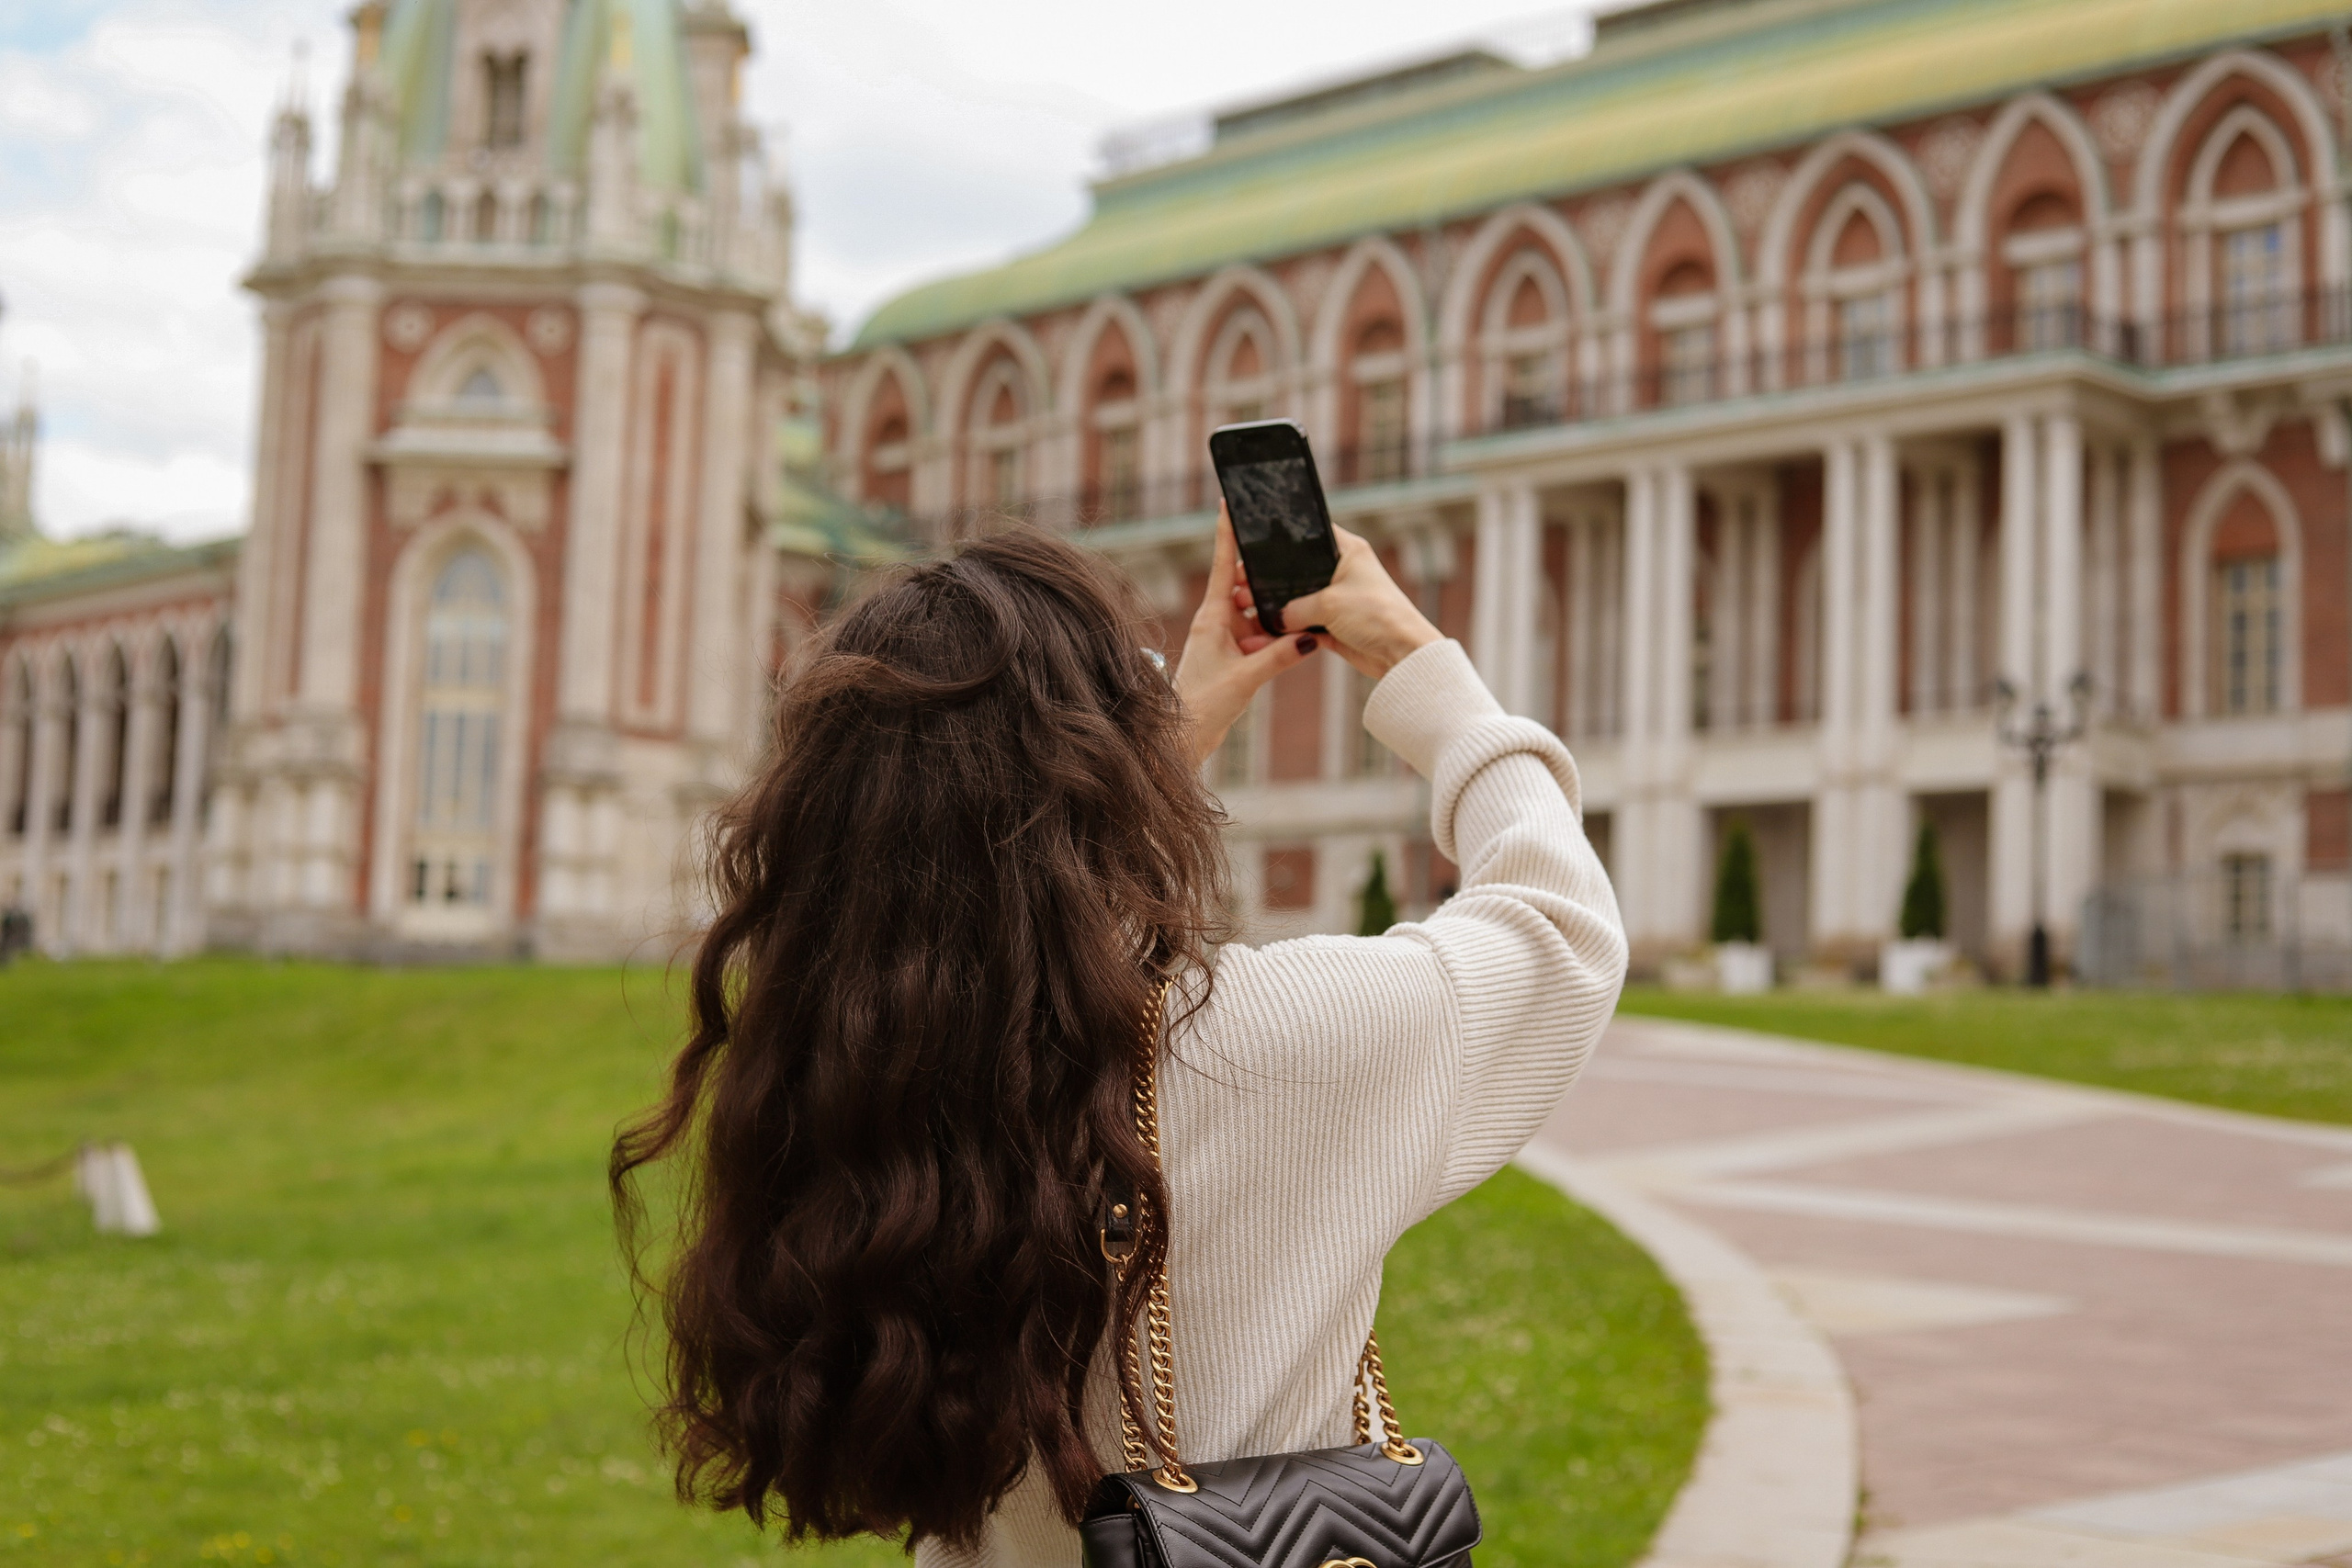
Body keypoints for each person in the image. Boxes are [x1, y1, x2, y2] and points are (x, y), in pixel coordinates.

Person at [613, 511, 1627, 1567]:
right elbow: (1558, 922)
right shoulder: (1280, 1037)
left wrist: (1146, 755)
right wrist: (1413, 661)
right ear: (1104, 769)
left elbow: (995, 891)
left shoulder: (851, 1065)